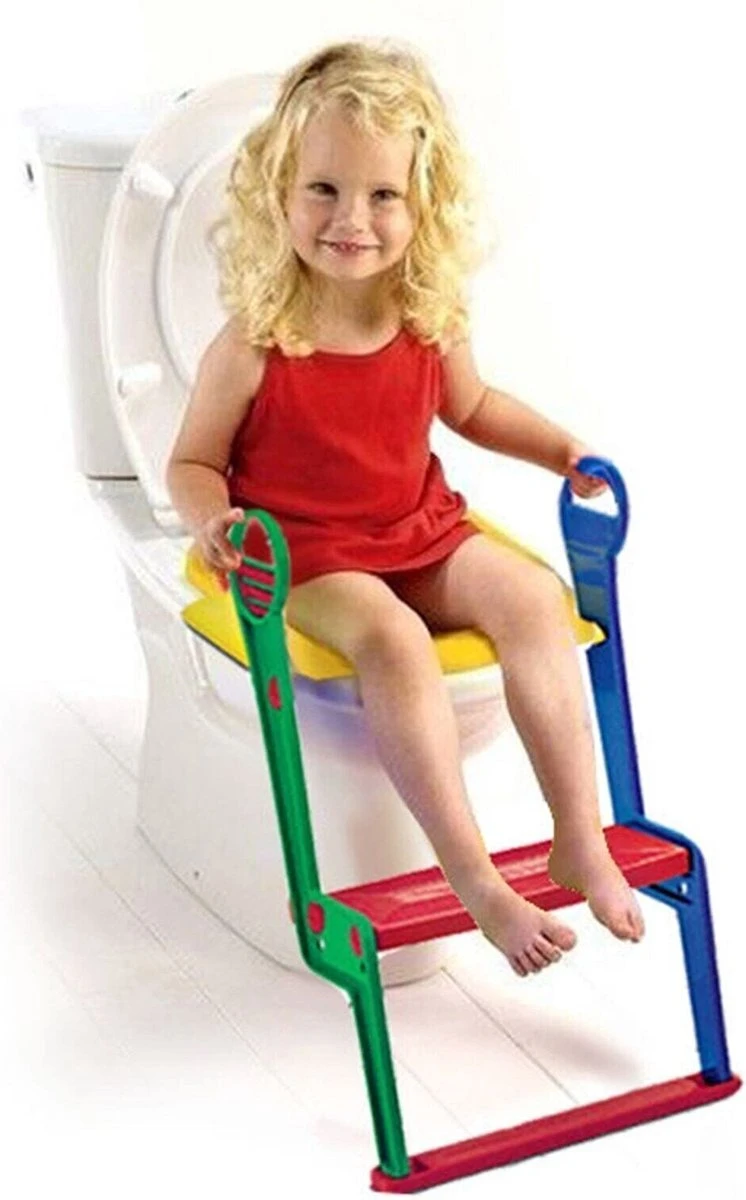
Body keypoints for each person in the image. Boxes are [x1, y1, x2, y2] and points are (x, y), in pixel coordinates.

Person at [167, 39, 645, 979]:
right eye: (324, 189)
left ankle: (577, 835)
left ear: (424, 203)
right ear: (280, 192)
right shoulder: (256, 342)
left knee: (534, 599)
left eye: (383, 194)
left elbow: (474, 407)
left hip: (418, 529)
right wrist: (212, 520)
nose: (352, 219)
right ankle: (475, 879)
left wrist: (561, 450)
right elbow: (191, 460)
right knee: (392, 639)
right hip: (310, 555)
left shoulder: (428, 315)